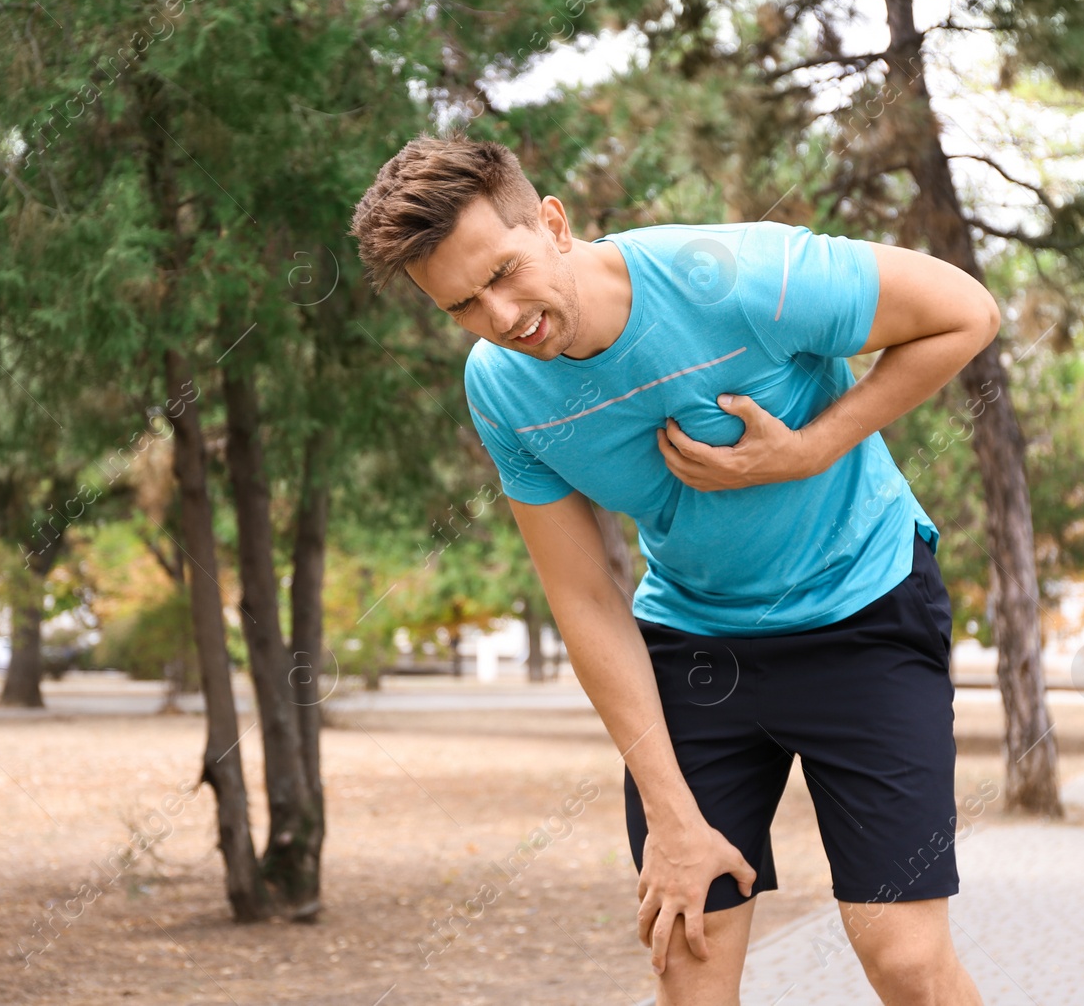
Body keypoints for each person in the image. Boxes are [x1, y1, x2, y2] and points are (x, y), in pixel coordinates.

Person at [350, 133, 995, 1006]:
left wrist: (809, 449)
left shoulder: (734, 273)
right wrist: (671, 813)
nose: (500, 319)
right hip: (697, 645)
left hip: (863, 612)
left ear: (553, 223)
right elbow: (581, 596)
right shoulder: (501, 387)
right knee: (687, 961)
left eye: (503, 273)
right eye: (461, 305)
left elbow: (966, 311)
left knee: (907, 963)